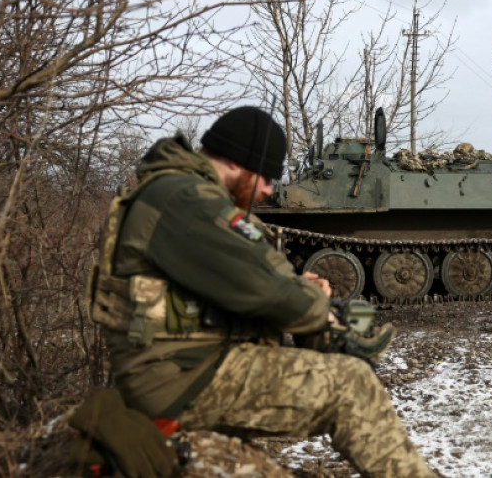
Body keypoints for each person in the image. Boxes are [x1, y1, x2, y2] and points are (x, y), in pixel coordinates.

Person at [87, 106, 435, 477]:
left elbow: (243, 279)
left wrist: (297, 290)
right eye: (265, 176)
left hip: (182, 364)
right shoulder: (187, 199)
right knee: (352, 385)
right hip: (179, 377)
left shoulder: (174, 193)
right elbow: (268, 290)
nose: (269, 190)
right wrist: (316, 305)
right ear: (235, 162)